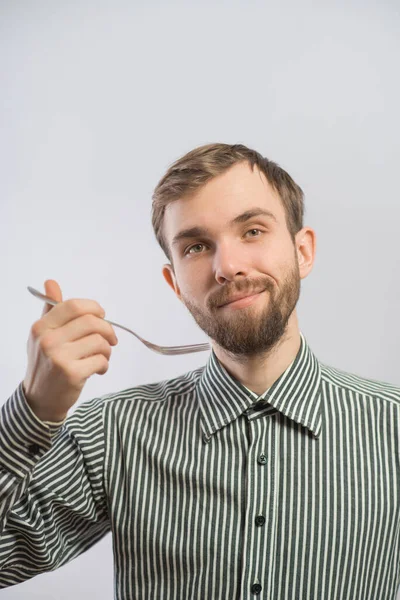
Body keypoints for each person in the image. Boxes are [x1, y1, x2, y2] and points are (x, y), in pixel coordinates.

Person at [0, 143, 399, 600]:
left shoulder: (393, 425)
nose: (227, 267)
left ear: (302, 251)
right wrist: (34, 409)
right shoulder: (111, 435)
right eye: (196, 246)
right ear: (175, 284)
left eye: (252, 230)